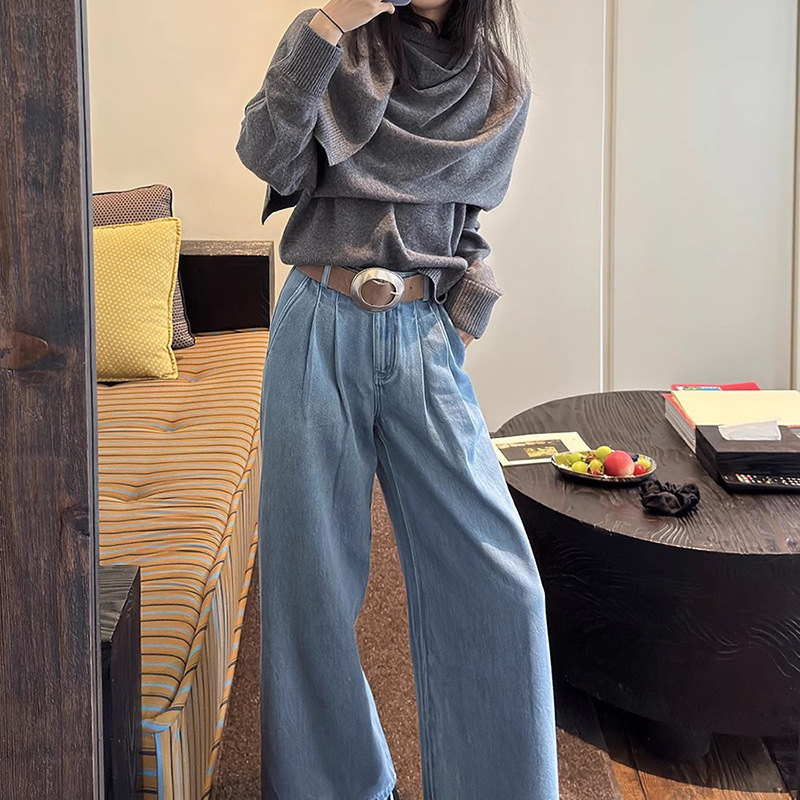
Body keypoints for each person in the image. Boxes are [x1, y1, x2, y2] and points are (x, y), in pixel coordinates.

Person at [236, 1, 559, 798]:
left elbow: (466, 226)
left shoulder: (497, 89)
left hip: (423, 334)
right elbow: (267, 153)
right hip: (318, 320)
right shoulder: (336, 46)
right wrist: (328, 22)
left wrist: (463, 321)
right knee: (308, 588)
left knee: (501, 582)